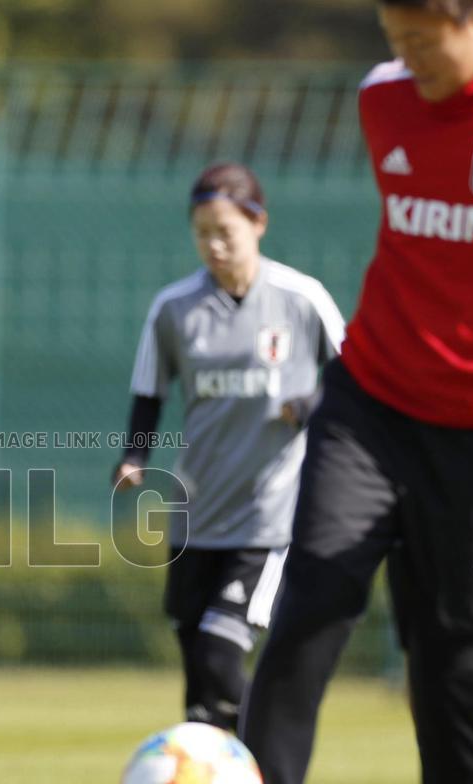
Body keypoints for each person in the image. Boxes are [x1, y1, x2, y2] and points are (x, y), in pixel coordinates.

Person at [191, 0, 473, 784]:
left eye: (423, 40)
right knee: (311, 604)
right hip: (370, 406)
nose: (405, 58)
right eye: (392, 37)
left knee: (452, 681)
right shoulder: (383, 100)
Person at [112, 162, 344, 732]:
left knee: (221, 651)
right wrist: (135, 456)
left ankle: (274, 752)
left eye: (226, 232)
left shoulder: (300, 298)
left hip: (268, 519)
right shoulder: (175, 307)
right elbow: (149, 391)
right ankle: (219, 781)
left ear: (258, 224)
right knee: (200, 687)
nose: (214, 245)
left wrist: (309, 405)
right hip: (196, 512)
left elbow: (356, 376)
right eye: (202, 233)